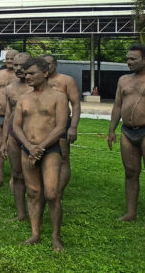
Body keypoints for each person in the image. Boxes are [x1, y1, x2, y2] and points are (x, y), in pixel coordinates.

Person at [12, 57, 68, 251]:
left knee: (52, 193)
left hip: (50, 149)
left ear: (45, 73)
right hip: (27, 148)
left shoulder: (59, 97)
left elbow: (61, 126)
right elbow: (16, 126)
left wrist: (41, 146)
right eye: (26, 74)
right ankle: (35, 233)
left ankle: (55, 236)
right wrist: (29, 145)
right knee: (33, 192)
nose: (27, 77)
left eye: (32, 73)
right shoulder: (23, 98)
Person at [108, 44, 145, 227]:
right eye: (128, 59)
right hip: (127, 131)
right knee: (131, 172)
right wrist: (111, 130)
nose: (128, 62)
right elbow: (117, 105)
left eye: (133, 59)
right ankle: (131, 212)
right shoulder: (123, 80)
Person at [43, 54, 81, 196]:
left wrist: (73, 126)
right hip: (42, 123)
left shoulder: (66, 80)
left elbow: (76, 104)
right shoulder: (38, 79)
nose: (46, 67)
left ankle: (59, 191)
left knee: (63, 157)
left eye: (49, 63)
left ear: (56, 64)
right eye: (43, 64)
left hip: (62, 122)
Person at [2, 52, 32, 221]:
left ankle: (37, 212)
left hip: (33, 136)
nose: (19, 69)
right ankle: (21, 213)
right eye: (16, 65)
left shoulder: (37, 87)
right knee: (17, 175)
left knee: (34, 179)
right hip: (14, 136)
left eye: (23, 65)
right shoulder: (10, 89)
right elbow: (8, 115)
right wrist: (3, 140)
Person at [0, 50, 18, 188]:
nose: (9, 60)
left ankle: (14, 178)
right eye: (7, 58)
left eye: (12, 58)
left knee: (13, 149)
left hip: (14, 117)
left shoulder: (21, 76)